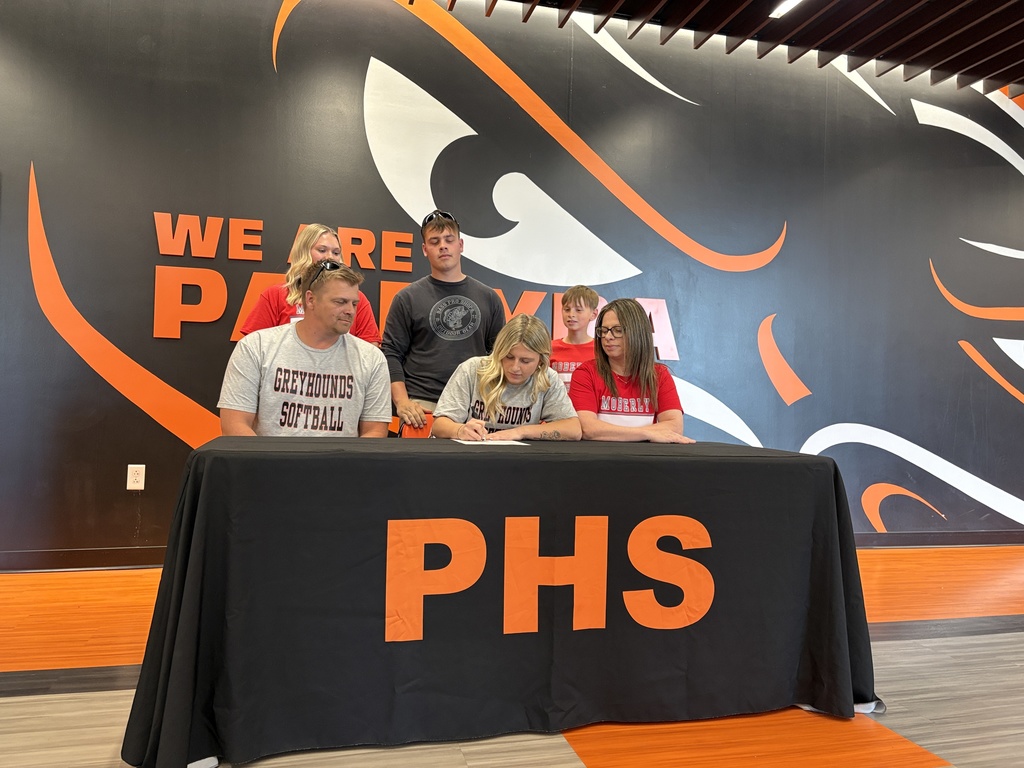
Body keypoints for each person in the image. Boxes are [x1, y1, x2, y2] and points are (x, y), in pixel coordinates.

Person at [218, 259, 391, 437]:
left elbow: (375, 431)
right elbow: (234, 425)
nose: (351, 311)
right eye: (340, 302)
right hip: (269, 463)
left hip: (341, 464)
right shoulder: (256, 347)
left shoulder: (371, 359)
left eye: (354, 304)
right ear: (310, 299)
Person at [382, 210, 506, 429]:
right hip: (421, 408)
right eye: (434, 241)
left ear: (461, 245)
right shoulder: (407, 298)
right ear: (424, 249)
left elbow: (499, 356)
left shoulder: (489, 298)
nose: (443, 246)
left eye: (449, 240)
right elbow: (392, 354)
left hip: (473, 407)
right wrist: (402, 402)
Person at [431, 314, 581, 441]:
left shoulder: (548, 378)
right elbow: (439, 425)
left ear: (540, 361)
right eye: (508, 357)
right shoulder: (472, 369)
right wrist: (460, 430)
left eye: (525, 361)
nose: (515, 367)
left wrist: (520, 432)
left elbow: (573, 429)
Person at [568, 298, 694, 443]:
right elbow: (587, 428)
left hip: (645, 462)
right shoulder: (586, 373)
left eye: (618, 330)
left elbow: (675, 427)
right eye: (603, 330)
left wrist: (624, 434)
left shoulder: (659, 375)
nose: (608, 337)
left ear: (637, 333)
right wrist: (647, 434)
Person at [239, 223, 382, 345]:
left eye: (336, 252)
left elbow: (369, 351)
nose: (330, 257)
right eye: (322, 250)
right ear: (303, 253)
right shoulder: (275, 295)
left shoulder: (357, 299)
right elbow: (253, 348)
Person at [550, 284, 599, 386]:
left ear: (593, 314)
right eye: (567, 309)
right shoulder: (549, 348)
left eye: (578, 310)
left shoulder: (601, 350)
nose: (571, 314)